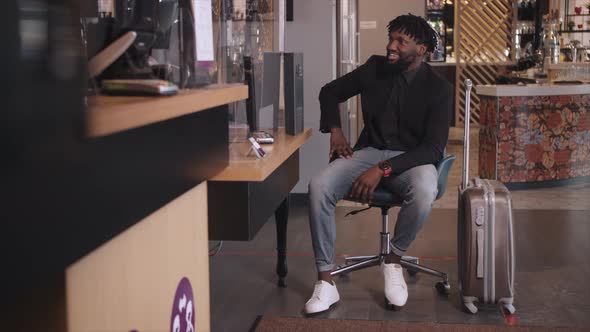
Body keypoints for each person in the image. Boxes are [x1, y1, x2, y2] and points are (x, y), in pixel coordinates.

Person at [304, 13, 453, 314]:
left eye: (401, 41)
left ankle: (394, 261)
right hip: (370, 150)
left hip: (411, 159)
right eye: (391, 38)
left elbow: (433, 148)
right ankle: (325, 281)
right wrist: (335, 131)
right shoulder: (375, 69)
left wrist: (383, 170)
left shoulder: (439, 88)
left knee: (425, 188)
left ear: (421, 49)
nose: (391, 46)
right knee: (319, 185)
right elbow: (329, 92)